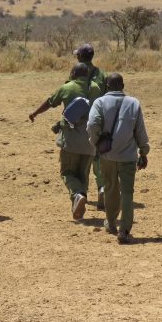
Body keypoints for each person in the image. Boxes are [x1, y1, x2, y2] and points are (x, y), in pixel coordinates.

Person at [29, 63, 102, 220]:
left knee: (67, 172)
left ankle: (77, 195)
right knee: (83, 175)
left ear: (74, 73)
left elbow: (50, 102)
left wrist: (34, 113)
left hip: (71, 140)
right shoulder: (96, 88)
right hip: (91, 141)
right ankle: (79, 204)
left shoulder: (67, 87)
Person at [87, 73, 150, 244]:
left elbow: (92, 124)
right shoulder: (134, 103)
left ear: (106, 86)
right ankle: (125, 229)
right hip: (128, 156)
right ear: (123, 85)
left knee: (110, 188)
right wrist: (143, 151)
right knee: (127, 192)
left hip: (107, 155)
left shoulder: (99, 102)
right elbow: (140, 131)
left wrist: (96, 143)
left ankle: (111, 223)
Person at [74, 43, 108, 210]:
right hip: (99, 119)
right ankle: (102, 188)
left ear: (80, 57)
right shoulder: (101, 74)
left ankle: (81, 193)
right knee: (98, 156)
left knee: (82, 158)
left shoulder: (77, 72)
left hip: (80, 122)